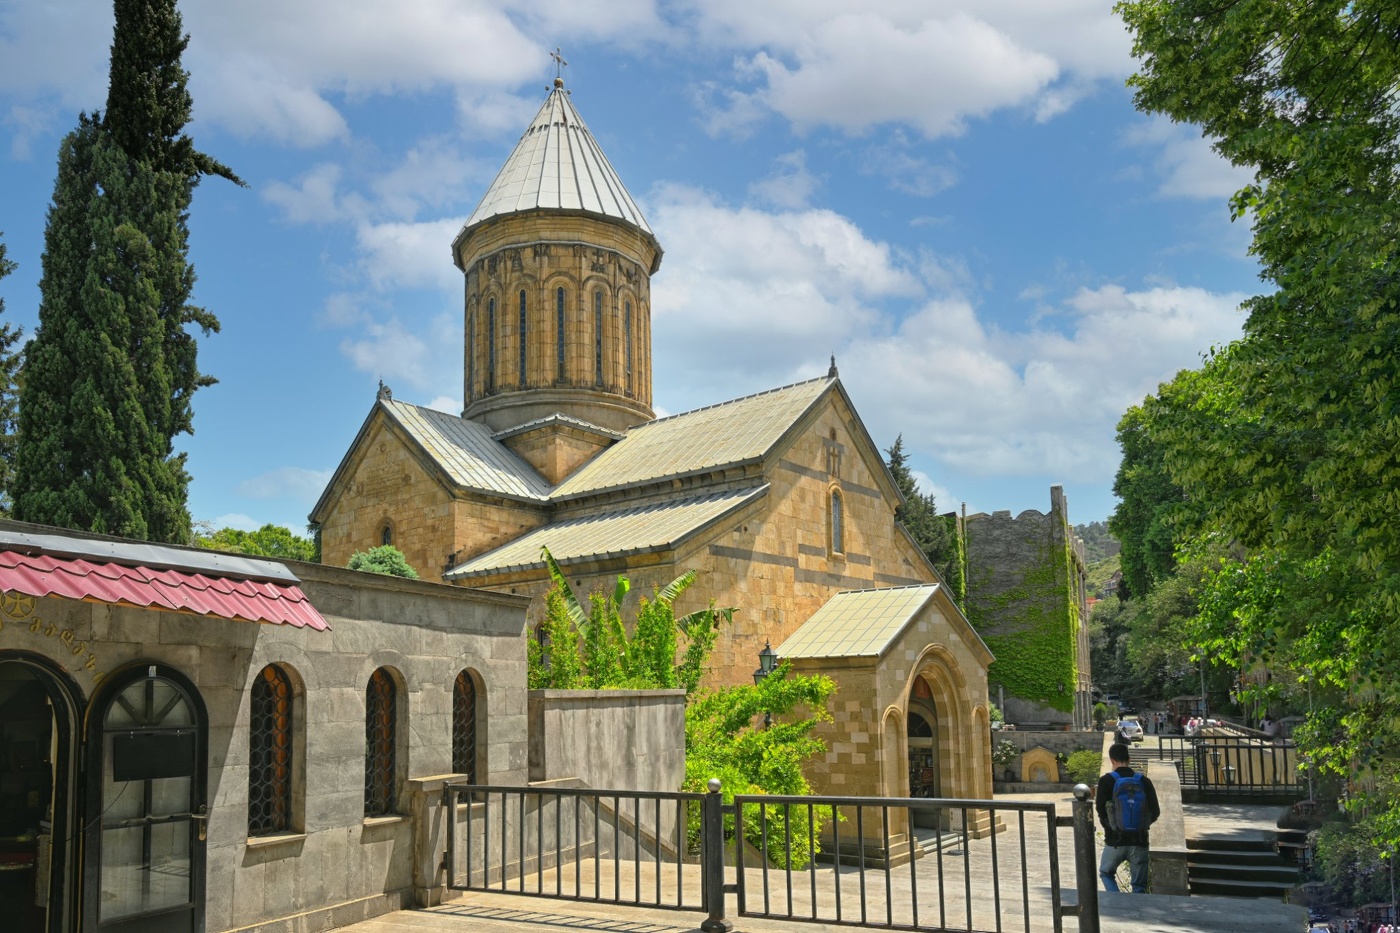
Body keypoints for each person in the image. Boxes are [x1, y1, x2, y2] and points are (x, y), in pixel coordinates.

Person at [1096, 742, 1161, 893]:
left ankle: (1119, 904)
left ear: (1112, 760)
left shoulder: (1106, 781)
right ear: (1129, 759)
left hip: (1115, 840)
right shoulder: (1144, 781)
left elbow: (1101, 810)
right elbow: (1155, 811)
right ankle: (1137, 914)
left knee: (1106, 873)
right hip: (1140, 840)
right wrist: (1141, 825)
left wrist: (1113, 828)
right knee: (1139, 886)